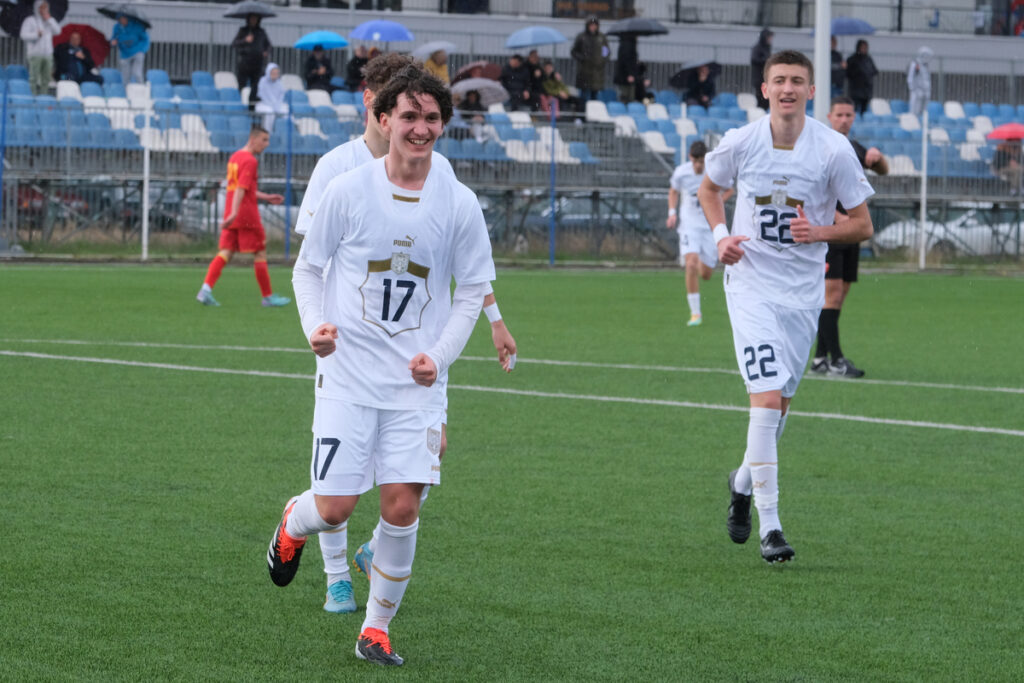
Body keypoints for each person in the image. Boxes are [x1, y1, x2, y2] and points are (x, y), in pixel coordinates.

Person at [269, 64, 498, 667]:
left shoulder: (459, 202)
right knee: (336, 506)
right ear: (384, 118)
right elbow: (307, 268)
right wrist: (313, 328)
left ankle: (375, 630)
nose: (419, 128)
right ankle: (294, 520)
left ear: (442, 124)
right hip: (346, 377)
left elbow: (473, 288)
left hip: (416, 386)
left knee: (401, 506)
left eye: (430, 118)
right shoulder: (347, 190)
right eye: (408, 116)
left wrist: (440, 357)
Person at [697, 50, 874, 564]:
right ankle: (770, 527)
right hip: (750, 285)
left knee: (779, 410)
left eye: (798, 80)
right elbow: (711, 190)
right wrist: (721, 235)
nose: (789, 88)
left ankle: (740, 484)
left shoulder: (833, 150)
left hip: (802, 294)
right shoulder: (742, 141)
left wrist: (820, 230)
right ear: (765, 88)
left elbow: (862, 224)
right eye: (780, 80)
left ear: (810, 91)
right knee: (767, 398)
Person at [810, 96, 888, 378]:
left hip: (851, 233)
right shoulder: (821, 147)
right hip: (832, 234)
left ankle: (820, 358)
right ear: (829, 117)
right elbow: (812, 190)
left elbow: (883, 171)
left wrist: (878, 160)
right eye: (839, 114)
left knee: (839, 295)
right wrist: (835, 217)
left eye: (849, 115)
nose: (844, 119)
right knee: (830, 295)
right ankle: (837, 360)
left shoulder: (852, 147)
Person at [196, 126, 290, 308]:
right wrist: (235, 212)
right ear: (253, 139)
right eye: (264, 140)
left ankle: (205, 290)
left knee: (226, 252)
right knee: (260, 252)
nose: (266, 144)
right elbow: (241, 189)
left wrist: (266, 197)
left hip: (233, 213)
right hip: (245, 214)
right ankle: (267, 297)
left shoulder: (235, 157)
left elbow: (244, 189)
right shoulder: (250, 160)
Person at [667, 141, 733, 326]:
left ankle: (700, 265)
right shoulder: (681, 172)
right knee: (690, 264)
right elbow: (673, 191)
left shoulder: (713, 172)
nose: (698, 165)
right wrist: (672, 213)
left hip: (709, 227)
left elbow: (730, 188)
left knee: (706, 273)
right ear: (690, 158)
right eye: (695, 161)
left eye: (701, 161)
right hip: (689, 226)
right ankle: (695, 313)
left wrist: (717, 200)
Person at [20, 0, 62, 96]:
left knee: (46, 77)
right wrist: (36, 35)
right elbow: (23, 35)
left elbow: (58, 31)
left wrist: (49, 19)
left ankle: (43, 96)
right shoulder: (30, 20)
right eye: (42, 7)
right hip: (35, 54)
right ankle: (32, 95)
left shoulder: (50, 20)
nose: (44, 10)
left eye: (46, 7)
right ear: (37, 8)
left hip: (48, 54)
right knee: (34, 77)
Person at [231, 13, 271, 109]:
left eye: (255, 19)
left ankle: (252, 107)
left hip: (257, 64)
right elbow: (234, 44)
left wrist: (266, 52)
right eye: (252, 19)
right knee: (242, 86)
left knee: (256, 87)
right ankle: (239, 106)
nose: (253, 21)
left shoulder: (261, 32)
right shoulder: (243, 31)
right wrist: (245, 40)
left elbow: (268, 45)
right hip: (245, 63)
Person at [570, 16, 609, 103]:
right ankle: (583, 114)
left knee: (594, 96)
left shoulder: (602, 38)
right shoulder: (582, 37)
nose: (593, 27)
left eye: (595, 25)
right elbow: (574, 51)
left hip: (597, 73)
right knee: (583, 96)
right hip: (584, 72)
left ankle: (592, 114)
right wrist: (582, 58)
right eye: (591, 25)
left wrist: (603, 60)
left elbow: (606, 51)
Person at [109, 12, 149, 85]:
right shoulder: (117, 27)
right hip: (124, 53)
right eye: (120, 19)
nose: (121, 21)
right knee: (125, 76)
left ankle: (141, 89)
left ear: (128, 18)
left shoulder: (137, 26)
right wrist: (113, 42)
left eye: (123, 18)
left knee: (137, 73)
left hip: (137, 51)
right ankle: (126, 92)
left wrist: (142, 50)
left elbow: (145, 39)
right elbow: (113, 38)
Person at [845, 39, 878, 116]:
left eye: (866, 47)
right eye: (863, 47)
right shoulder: (852, 59)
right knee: (854, 109)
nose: (865, 49)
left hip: (866, 90)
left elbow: (874, 71)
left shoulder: (868, 59)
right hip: (856, 90)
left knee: (864, 111)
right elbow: (848, 74)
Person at [254, 63, 287, 132]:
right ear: (268, 72)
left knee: (287, 110)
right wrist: (271, 104)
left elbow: (281, 95)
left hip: (276, 104)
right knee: (269, 112)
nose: (275, 74)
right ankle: (267, 132)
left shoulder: (279, 83)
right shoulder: (262, 81)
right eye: (273, 72)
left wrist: (277, 104)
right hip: (263, 104)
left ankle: (285, 132)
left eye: (276, 73)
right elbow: (262, 95)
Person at [750, 27, 773, 110]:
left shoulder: (767, 47)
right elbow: (754, 59)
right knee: (760, 99)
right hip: (759, 78)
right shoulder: (757, 48)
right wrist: (766, 60)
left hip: (766, 77)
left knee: (766, 99)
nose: (770, 39)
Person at [907, 46, 933, 118]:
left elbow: (927, 79)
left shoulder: (926, 66)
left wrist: (928, 89)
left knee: (923, 111)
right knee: (915, 110)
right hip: (917, 91)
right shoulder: (915, 64)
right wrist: (913, 89)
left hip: (925, 91)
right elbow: (910, 78)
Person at [613, 35, 639, 104]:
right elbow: (627, 60)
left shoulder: (625, 43)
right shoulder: (628, 44)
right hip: (626, 76)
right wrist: (630, 74)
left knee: (626, 96)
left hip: (624, 75)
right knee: (627, 97)